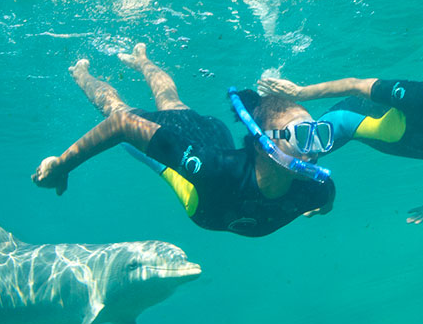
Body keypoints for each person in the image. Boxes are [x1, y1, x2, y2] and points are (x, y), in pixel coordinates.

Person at [31, 44, 334, 237]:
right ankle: (81, 73)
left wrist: (315, 207)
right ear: (262, 143)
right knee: (118, 109)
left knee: (172, 101)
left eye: (318, 135)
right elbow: (121, 125)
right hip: (200, 162)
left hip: (214, 139)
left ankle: (142, 60)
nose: (313, 150)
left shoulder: (317, 190)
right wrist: (61, 165)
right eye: (301, 136)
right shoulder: (214, 171)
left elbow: (326, 202)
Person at [256, 35, 423, 224]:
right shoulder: (421, 96)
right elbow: (356, 85)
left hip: (391, 138)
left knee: (299, 172)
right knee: (289, 154)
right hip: (352, 118)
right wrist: (299, 93)